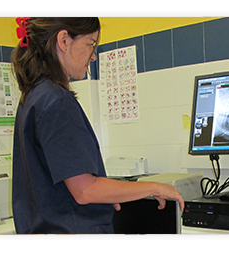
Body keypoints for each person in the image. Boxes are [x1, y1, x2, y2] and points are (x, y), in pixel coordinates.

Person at [11, 17, 184, 234]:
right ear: (64, 40)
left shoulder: (33, 96)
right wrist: (157, 187)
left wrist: (111, 194)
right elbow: (85, 190)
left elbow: (57, 185)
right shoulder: (58, 102)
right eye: (90, 44)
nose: (93, 56)